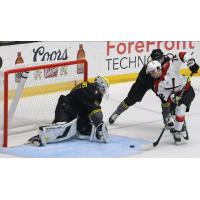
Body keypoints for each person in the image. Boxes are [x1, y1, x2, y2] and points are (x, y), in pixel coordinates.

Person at [109, 49, 199, 131]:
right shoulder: (147, 70)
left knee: (167, 99)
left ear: (163, 56)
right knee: (131, 99)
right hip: (144, 83)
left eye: (160, 58)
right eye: (156, 60)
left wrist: (190, 62)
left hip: (161, 84)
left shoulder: (168, 62)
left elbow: (180, 59)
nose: (159, 61)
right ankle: (117, 112)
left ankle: (167, 117)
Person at [27, 76, 110, 146]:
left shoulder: (89, 88)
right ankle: (41, 136)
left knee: (85, 130)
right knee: (61, 128)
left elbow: (85, 105)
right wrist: (99, 123)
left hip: (75, 110)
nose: (104, 92)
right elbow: (93, 110)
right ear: (98, 86)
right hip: (65, 106)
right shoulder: (93, 92)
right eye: (103, 89)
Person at [146, 58, 197, 143]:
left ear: (158, 69)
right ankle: (179, 129)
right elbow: (165, 100)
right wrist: (173, 99)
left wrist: (191, 62)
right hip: (175, 95)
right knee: (173, 113)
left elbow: (181, 55)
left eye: (152, 72)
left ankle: (179, 129)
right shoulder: (157, 86)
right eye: (150, 73)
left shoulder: (170, 66)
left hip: (187, 91)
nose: (151, 75)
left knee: (180, 108)